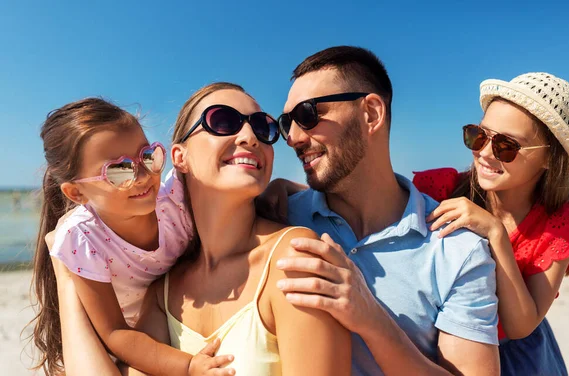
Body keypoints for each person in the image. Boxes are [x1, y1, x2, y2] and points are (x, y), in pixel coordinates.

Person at [51, 84, 352, 376]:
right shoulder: (164, 292)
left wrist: (285, 188)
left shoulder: (292, 259)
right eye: (222, 121)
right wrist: (65, 276)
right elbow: (116, 333)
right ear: (180, 157)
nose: (250, 136)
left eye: (263, 127)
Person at [265, 46, 501, 375]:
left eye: (307, 115)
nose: (292, 137)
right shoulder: (276, 219)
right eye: (286, 122)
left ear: (371, 114)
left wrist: (373, 321)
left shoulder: (457, 250)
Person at [413, 72, 569, 375]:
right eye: (479, 135)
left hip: (517, 360)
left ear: (550, 159)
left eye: (506, 146)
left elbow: (520, 325)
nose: (485, 152)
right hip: (436, 345)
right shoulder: (442, 188)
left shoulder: (563, 222)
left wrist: (495, 233)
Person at [31, 98, 232, 375]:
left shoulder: (177, 198)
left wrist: (281, 188)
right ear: (77, 193)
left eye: (148, 156)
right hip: (130, 347)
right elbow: (115, 333)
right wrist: (187, 366)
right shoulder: (83, 239)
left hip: (179, 316)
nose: (142, 176)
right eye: (119, 170)